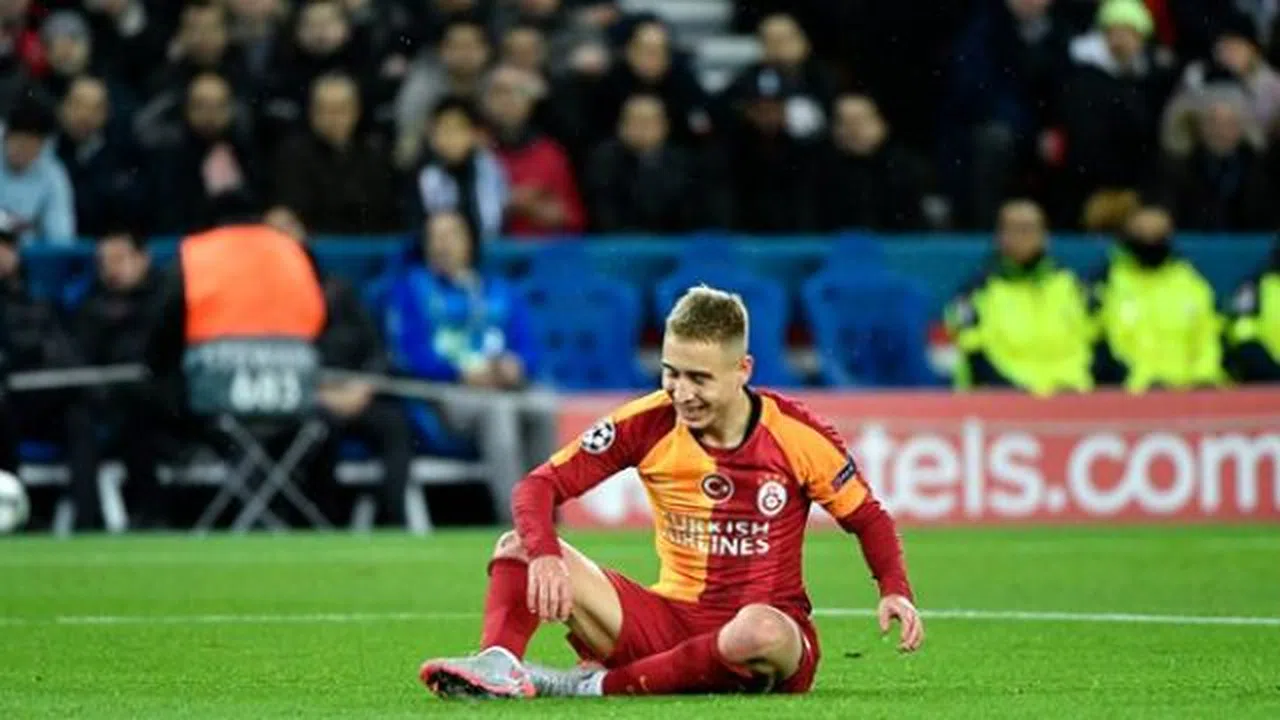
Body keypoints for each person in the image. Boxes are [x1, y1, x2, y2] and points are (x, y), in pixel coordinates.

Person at [418, 286, 922, 699]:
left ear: (742, 370)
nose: (681, 392)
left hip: (770, 633)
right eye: (671, 372)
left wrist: (894, 587)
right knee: (519, 546)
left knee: (758, 631)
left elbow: (867, 517)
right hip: (667, 622)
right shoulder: (650, 421)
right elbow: (538, 485)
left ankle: (590, 687)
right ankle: (499, 663)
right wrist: (546, 554)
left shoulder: (796, 434)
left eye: (699, 378)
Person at [945, 199, 1092, 395]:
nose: (1024, 237)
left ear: (1045, 236)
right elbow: (973, 355)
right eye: (1016, 229)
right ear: (1000, 236)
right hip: (1003, 399)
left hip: (1072, 395)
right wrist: (1015, 393)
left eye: (1031, 229)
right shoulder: (973, 292)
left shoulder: (1073, 286)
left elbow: (1096, 344)